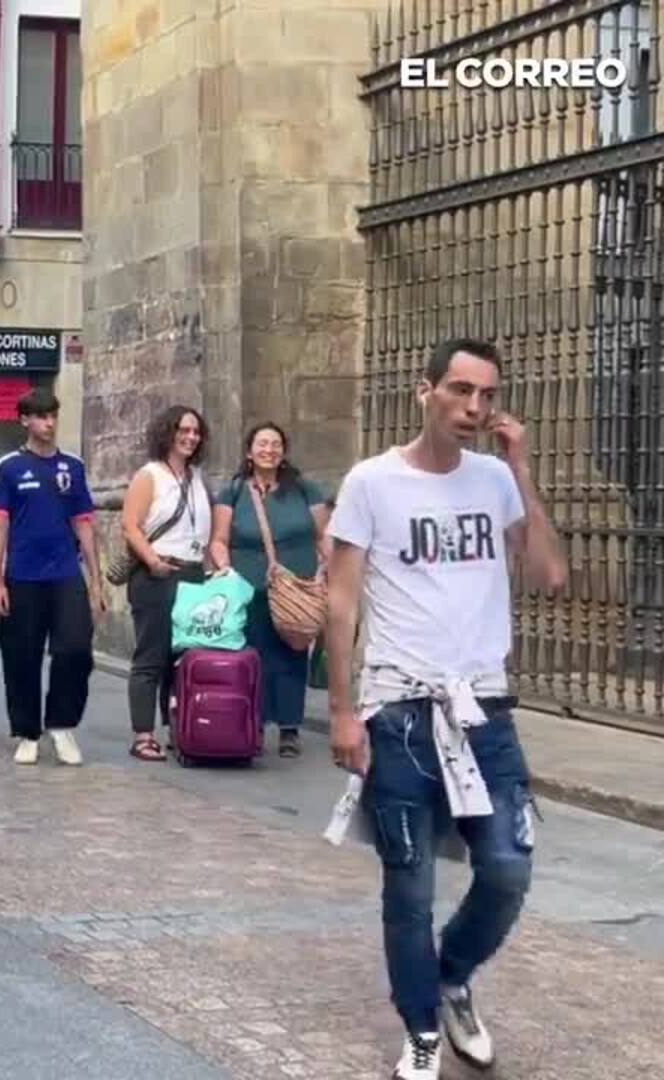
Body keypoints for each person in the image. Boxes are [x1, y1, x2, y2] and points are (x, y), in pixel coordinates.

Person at [326, 338, 566, 1080]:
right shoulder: (372, 482)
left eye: (486, 395)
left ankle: (452, 974)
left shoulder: (494, 480)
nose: (474, 407)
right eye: (460, 390)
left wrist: (521, 469)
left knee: (508, 869)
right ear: (424, 389)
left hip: (484, 710)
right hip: (399, 712)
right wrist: (343, 711)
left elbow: (550, 573)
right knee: (410, 885)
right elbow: (340, 602)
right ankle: (422, 1027)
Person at [0, 389, 106, 766]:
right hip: (22, 574)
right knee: (22, 654)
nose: (49, 423)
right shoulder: (9, 466)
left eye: (53, 415)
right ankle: (28, 731)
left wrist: (96, 582)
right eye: (41, 417)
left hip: (65, 573)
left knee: (75, 648)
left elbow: (84, 523)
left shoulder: (72, 466)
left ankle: (62, 724)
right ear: (25, 420)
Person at [208, 422, 332, 758]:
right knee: (254, 656)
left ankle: (290, 727)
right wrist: (225, 569)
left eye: (276, 444)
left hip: (297, 590)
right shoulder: (233, 491)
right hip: (249, 589)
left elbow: (324, 536)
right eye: (262, 444)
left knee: (292, 654)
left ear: (283, 451)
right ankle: (256, 723)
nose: (269, 450)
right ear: (250, 452)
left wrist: (332, 573)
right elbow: (219, 539)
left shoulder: (304, 489)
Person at [119, 404, 213, 762]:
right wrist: (152, 560)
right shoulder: (150, 475)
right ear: (167, 433)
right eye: (183, 430)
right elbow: (130, 525)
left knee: (183, 656)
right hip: (156, 573)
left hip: (192, 572)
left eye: (195, 432)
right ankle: (143, 735)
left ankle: (178, 726)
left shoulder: (198, 477)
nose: (190, 437)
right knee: (151, 656)